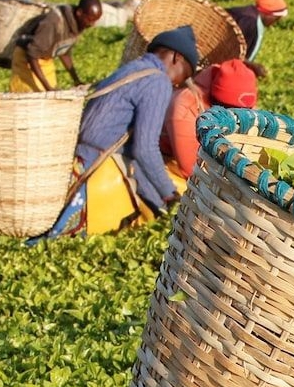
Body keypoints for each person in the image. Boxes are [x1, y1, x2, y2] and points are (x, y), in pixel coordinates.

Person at [67, 24, 198, 232]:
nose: (178, 83)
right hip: (101, 165)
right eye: (184, 75)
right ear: (177, 58)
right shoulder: (158, 81)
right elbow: (144, 149)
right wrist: (169, 194)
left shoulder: (131, 69)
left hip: (78, 158)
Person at [164, 58, 259, 180]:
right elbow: (192, 169)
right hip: (171, 160)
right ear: (215, 102)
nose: (237, 118)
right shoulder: (185, 108)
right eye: (232, 111)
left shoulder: (239, 102)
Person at [10, 0, 102, 92]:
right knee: (31, 94)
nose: (92, 24)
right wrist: (48, 88)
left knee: (49, 93)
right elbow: (32, 54)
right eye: (90, 20)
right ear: (79, 13)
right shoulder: (54, 22)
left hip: (45, 59)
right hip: (26, 59)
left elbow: (64, 52)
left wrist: (76, 80)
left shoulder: (77, 24)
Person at [226, 0, 288, 77]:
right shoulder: (250, 21)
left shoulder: (246, 12)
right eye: (276, 18)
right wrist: (254, 66)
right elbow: (230, 51)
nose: (275, 22)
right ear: (268, 14)